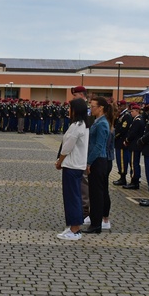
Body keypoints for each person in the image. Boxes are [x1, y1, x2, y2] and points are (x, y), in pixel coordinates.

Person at [55, 98, 90, 240]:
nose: (68, 111)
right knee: (74, 196)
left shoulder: (76, 126)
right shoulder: (83, 125)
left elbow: (67, 147)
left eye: (70, 108)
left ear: (75, 110)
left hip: (72, 165)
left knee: (72, 198)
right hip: (77, 165)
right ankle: (73, 227)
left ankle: (75, 229)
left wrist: (59, 161)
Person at [83, 97, 114, 233]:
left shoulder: (102, 123)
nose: (91, 109)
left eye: (93, 106)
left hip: (98, 161)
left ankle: (96, 224)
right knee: (94, 193)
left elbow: (99, 145)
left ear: (101, 108)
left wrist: (89, 162)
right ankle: (95, 222)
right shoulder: (98, 121)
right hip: (97, 160)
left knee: (97, 194)